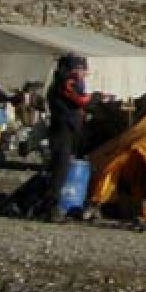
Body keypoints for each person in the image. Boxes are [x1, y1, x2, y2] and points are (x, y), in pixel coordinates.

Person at [46, 55, 94, 222]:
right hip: (63, 129)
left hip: (69, 128)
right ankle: (52, 207)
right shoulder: (66, 81)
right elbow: (81, 99)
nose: (83, 73)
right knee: (60, 168)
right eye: (80, 69)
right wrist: (94, 98)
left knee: (65, 167)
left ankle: (67, 204)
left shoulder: (67, 81)